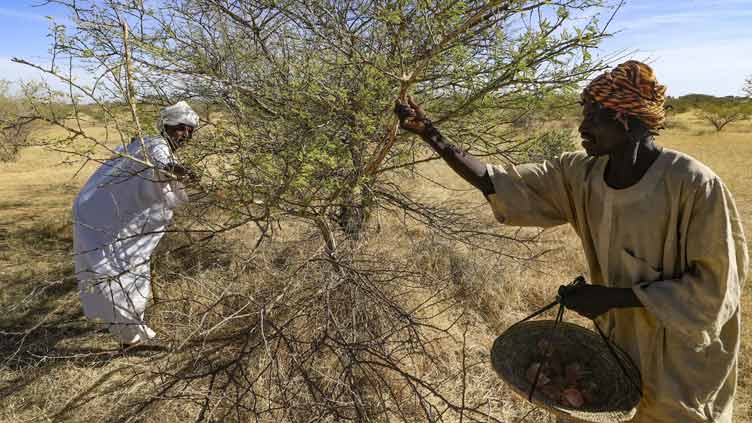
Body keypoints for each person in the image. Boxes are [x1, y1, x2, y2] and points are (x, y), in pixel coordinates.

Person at [394, 61, 748, 422]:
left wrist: (613, 298)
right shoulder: (581, 174)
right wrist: (430, 134)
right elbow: (499, 183)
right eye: (586, 113)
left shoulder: (693, 186)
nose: (583, 126)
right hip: (617, 353)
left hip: (680, 365)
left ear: (628, 120)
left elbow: (716, 292)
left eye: (596, 116)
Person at [73, 101, 200, 346]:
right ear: (167, 126)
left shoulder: (145, 143)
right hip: (103, 218)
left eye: (189, 131)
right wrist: (187, 174)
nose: (185, 135)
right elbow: (166, 166)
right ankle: (131, 336)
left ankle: (126, 327)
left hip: (100, 213)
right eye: (181, 128)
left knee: (123, 268)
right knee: (121, 271)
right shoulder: (156, 145)